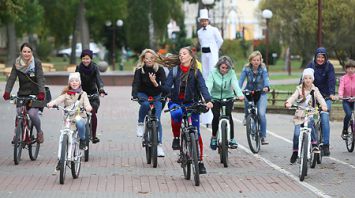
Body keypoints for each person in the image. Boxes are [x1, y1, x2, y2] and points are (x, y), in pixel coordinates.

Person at [162, 47, 213, 174]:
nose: (181, 56)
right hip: (176, 102)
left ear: (191, 56)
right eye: (180, 54)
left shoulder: (196, 72)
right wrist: (164, 91)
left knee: (196, 132)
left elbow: (202, 86)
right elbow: (168, 85)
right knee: (177, 114)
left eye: (184, 54)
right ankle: (176, 138)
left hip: (192, 103)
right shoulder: (174, 71)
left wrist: (208, 100)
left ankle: (200, 161)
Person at [47, 72, 92, 170]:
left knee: (80, 124)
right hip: (69, 118)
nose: (74, 83)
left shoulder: (83, 94)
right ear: (69, 83)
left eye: (76, 81)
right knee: (63, 136)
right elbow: (58, 100)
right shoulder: (66, 94)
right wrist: (51, 103)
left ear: (79, 82)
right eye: (72, 81)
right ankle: (61, 159)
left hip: (79, 115)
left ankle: (83, 140)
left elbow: (87, 104)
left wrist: (88, 107)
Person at [3, 42, 46, 144]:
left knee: (32, 114)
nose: (26, 54)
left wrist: (41, 92)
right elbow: (12, 78)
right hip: (22, 93)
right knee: (19, 112)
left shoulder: (36, 63)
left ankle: (39, 132)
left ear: (32, 53)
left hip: (36, 94)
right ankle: (18, 134)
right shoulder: (17, 63)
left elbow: (40, 78)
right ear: (21, 52)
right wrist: (7, 92)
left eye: (28, 52)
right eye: (24, 51)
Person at [285, 68, 327, 163]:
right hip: (300, 113)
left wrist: (324, 105)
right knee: (296, 134)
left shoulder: (315, 90)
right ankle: (295, 151)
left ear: (313, 79)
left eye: (309, 78)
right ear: (303, 79)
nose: (307, 80)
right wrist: (289, 102)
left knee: (312, 123)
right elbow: (293, 97)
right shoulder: (299, 89)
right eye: (305, 78)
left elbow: (320, 98)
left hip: (312, 112)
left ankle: (314, 144)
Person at [132, 49, 167, 157]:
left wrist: (155, 82)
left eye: (151, 58)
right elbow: (136, 84)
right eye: (146, 58)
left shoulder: (160, 70)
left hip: (157, 95)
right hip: (143, 94)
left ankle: (159, 146)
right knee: (146, 104)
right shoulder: (139, 70)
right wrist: (134, 95)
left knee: (157, 119)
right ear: (143, 59)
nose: (149, 60)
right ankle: (140, 123)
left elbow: (165, 86)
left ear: (155, 59)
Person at [206, 56, 244, 150]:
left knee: (229, 116)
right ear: (219, 66)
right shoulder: (213, 72)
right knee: (216, 116)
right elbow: (209, 84)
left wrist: (239, 94)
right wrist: (206, 98)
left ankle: (231, 138)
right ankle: (214, 137)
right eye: (223, 67)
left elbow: (235, 83)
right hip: (215, 98)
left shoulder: (231, 73)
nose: (225, 70)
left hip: (228, 97)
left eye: (227, 68)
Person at [306, 47, 336, 156]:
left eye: (322, 57)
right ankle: (313, 142)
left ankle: (326, 144)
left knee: (324, 117)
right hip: (312, 97)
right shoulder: (311, 65)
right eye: (318, 57)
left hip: (325, 97)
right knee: (311, 119)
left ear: (325, 57)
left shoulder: (329, 66)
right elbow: (304, 78)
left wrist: (332, 93)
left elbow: (332, 80)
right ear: (315, 57)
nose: (320, 59)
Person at [197, 8, 223, 125]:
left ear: (208, 21)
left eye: (205, 20)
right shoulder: (199, 32)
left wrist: (215, 50)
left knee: (212, 71)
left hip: (212, 54)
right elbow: (201, 43)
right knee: (206, 73)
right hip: (204, 54)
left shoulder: (214, 30)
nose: (204, 22)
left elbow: (220, 40)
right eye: (202, 20)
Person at [239, 51, 270, 145]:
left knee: (261, 114)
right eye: (254, 60)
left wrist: (266, 87)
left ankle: (263, 136)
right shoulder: (246, 69)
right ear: (251, 61)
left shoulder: (263, 69)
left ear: (260, 61)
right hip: (249, 91)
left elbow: (266, 79)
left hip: (261, 93)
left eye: (258, 60)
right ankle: (246, 117)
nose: (256, 62)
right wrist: (238, 90)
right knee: (246, 100)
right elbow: (240, 80)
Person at [75, 49, 106, 144]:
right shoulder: (78, 68)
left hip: (93, 96)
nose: (85, 61)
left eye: (87, 59)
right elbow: (75, 80)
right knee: (78, 114)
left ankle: (93, 135)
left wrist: (101, 89)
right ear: (81, 59)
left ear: (91, 59)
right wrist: (74, 90)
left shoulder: (94, 68)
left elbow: (98, 79)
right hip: (81, 95)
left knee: (92, 113)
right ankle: (79, 133)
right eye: (83, 58)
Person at [338, 59, 355, 139]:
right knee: (348, 114)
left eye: (352, 68)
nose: (350, 70)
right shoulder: (343, 78)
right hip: (346, 100)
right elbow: (341, 88)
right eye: (348, 68)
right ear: (346, 69)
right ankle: (345, 130)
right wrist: (340, 95)